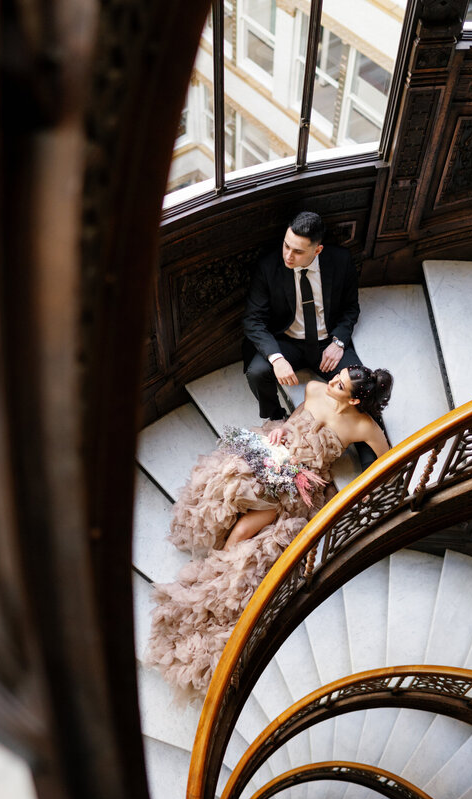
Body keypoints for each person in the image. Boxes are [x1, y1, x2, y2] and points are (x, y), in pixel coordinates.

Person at [145, 365, 393, 699]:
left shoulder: (364, 426)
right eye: (337, 378)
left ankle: (213, 581)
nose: (332, 381)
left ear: (354, 400)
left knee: (248, 529)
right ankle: (216, 540)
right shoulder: (315, 390)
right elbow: (296, 419)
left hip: (298, 480)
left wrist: (361, 490)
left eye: (340, 384)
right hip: (274, 452)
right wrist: (280, 434)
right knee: (229, 481)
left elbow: (387, 461)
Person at [243, 211, 363, 423]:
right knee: (257, 372)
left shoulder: (340, 260)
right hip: (288, 341)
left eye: (298, 251)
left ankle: (369, 451)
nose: (288, 256)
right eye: (286, 245)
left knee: (359, 386)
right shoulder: (269, 267)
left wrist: (338, 342)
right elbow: (253, 320)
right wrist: (277, 358)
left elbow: (351, 307)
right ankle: (276, 418)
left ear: (317, 250)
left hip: (326, 341)